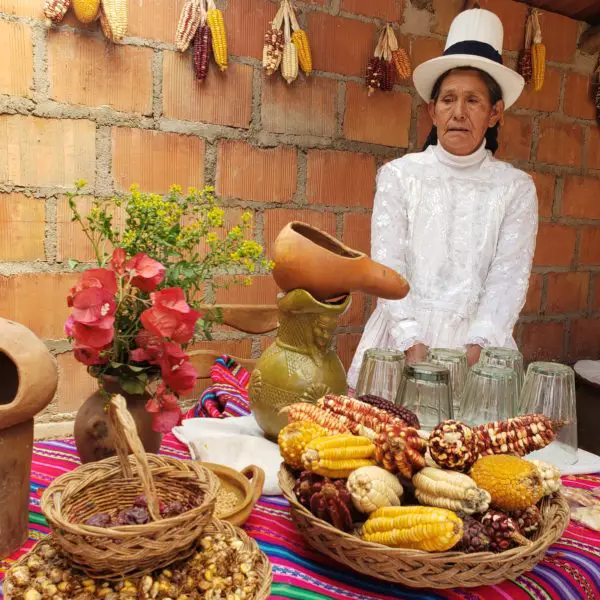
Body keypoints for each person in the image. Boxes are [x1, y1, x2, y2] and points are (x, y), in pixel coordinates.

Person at [348, 8, 538, 388]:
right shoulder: (400, 176)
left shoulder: (515, 188)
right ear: (432, 111)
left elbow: (508, 278)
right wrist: (410, 341)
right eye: (448, 99)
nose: (458, 112)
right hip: (399, 343)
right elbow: (389, 266)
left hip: (479, 354)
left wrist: (477, 349)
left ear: (495, 113)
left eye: (474, 101)